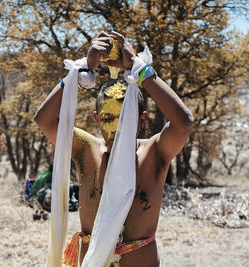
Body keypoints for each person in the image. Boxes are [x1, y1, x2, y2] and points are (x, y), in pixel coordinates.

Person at [34, 31, 193, 267]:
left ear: (141, 121)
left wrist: (140, 69)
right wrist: (80, 70)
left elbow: (184, 122)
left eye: (124, 118)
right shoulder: (87, 150)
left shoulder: (154, 153)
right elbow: (44, 120)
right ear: (97, 120)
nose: (115, 127)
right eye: (108, 118)